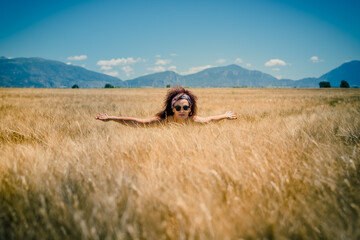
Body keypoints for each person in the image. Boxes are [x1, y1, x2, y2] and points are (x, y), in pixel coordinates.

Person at [95, 86, 237, 126]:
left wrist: (225, 115)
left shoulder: (193, 121)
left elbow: (211, 119)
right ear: (172, 109)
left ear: (190, 109)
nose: (182, 110)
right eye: (178, 107)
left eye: (186, 108)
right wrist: (112, 118)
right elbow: (137, 122)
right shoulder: (163, 121)